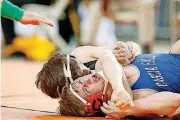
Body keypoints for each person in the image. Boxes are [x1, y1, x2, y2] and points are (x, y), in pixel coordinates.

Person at [36, 40, 180, 119]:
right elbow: (175, 101)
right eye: (85, 88)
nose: (87, 76)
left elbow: (109, 54)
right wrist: (130, 109)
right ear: (95, 102)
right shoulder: (134, 98)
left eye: (81, 80)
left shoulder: (101, 64)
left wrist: (127, 48)